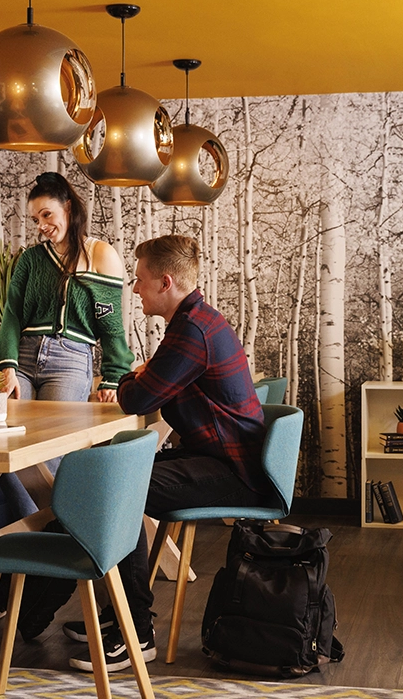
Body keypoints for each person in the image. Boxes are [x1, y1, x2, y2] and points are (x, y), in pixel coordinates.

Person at [63, 234, 270, 672]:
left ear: (165, 282)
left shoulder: (192, 330)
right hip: (224, 456)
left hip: (233, 470)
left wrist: (127, 381)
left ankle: (135, 630)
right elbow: (152, 384)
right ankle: (114, 615)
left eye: (138, 281)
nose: (134, 290)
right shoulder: (196, 321)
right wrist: (140, 380)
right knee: (107, 483)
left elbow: (139, 398)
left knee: (119, 490)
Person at [0, 172, 133, 403]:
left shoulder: (100, 255)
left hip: (70, 360)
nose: (42, 226)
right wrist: (7, 366)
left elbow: (110, 322)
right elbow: (12, 314)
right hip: (24, 357)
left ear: (68, 207)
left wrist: (114, 375)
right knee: (11, 429)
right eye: (36, 220)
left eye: (47, 214)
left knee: (54, 432)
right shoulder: (31, 258)